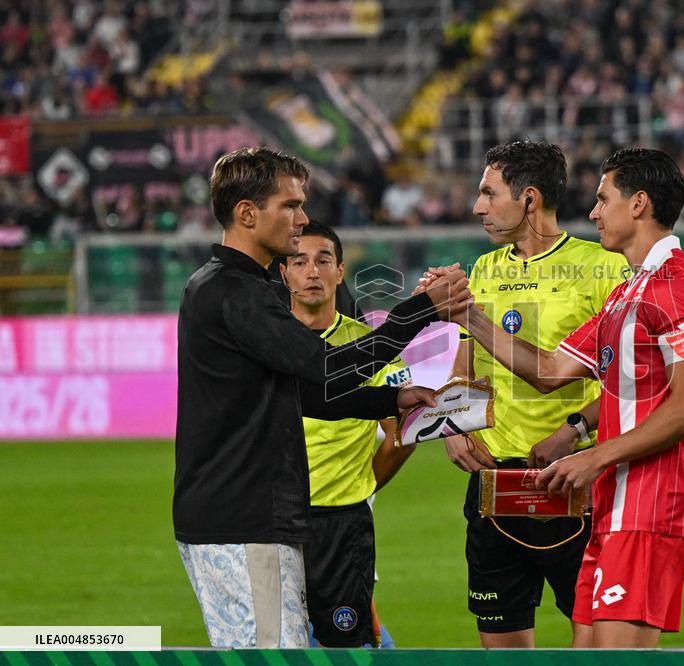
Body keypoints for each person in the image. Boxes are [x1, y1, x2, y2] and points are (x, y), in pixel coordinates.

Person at [173, 146, 471, 648]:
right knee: (272, 658)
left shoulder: (238, 286)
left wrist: (385, 403)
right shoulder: (233, 292)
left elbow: (304, 391)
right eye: (289, 205)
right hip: (242, 519)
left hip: (251, 517)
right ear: (247, 213)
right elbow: (328, 365)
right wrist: (422, 309)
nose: (302, 218)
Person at [445, 147, 684, 648]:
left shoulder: (677, 285)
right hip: (610, 498)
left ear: (637, 204)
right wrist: (468, 318)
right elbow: (549, 370)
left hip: (646, 500)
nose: (592, 212)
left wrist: (589, 448)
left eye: (602, 199)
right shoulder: (628, 293)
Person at [444, 140, 629, 648]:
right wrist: (452, 420)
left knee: (593, 651)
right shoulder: (484, 269)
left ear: (528, 198)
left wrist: (576, 431)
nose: (477, 206)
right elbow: (467, 365)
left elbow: (631, 383)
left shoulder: (603, 268)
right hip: (494, 481)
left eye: (488, 193)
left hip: (574, 484)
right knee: (501, 652)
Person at [279, 221, 414, 647]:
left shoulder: (370, 347)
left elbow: (400, 436)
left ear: (340, 271)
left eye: (323, 261)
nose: (312, 272)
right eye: (299, 261)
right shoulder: (268, 343)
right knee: (275, 640)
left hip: (343, 523)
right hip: (273, 521)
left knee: (345, 644)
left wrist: (364, 484)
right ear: (283, 273)